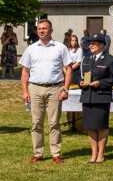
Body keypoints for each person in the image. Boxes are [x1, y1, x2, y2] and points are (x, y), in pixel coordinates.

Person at [19, 19, 73, 164]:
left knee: (54, 122)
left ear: (51, 30)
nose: (41, 31)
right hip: (35, 88)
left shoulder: (60, 48)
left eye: (44, 28)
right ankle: (38, 153)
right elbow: (25, 71)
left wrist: (65, 89)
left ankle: (56, 153)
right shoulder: (31, 49)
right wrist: (25, 91)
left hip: (55, 88)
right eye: (39, 29)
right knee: (36, 123)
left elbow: (68, 69)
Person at [79, 33, 113, 163]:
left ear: (102, 45)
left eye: (94, 43)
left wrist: (100, 83)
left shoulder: (109, 59)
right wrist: (81, 83)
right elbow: (81, 76)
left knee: (101, 126)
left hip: (101, 97)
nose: (90, 45)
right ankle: (93, 153)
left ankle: (101, 154)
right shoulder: (86, 59)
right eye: (90, 43)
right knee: (90, 126)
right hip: (88, 96)